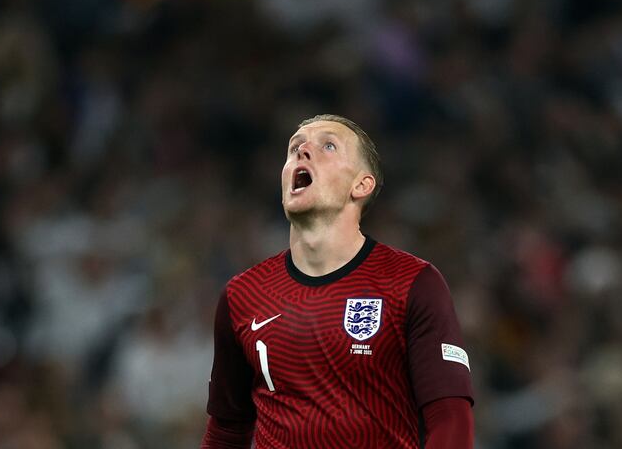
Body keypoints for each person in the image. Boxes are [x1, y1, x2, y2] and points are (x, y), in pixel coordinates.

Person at [201, 114, 474, 448]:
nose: (302, 151)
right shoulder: (242, 295)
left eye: (327, 145)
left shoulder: (412, 282)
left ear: (361, 185)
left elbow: (450, 420)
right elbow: (227, 429)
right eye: (294, 148)